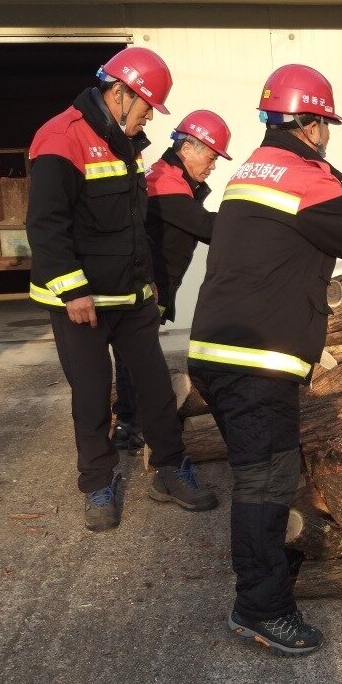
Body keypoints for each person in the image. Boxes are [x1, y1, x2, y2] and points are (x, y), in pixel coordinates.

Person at [187, 64, 342, 656]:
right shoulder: (304, 178)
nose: (328, 135)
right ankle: (260, 608)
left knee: (264, 476)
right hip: (257, 361)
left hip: (218, 352)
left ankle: (265, 573)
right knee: (266, 483)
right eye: (325, 124)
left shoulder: (251, 171)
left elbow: (304, 244)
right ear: (313, 124)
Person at [26, 46, 218, 532]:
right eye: (147, 106)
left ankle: (171, 470)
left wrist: (147, 280)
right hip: (81, 304)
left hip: (131, 297)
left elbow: (133, 225)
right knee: (92, 396)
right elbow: (47, 226)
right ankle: (97, 485)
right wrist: (73, 292)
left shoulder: (126, 143)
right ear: (119, 93)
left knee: (155, 386)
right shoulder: (60, 138)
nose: (149, 118)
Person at [110, 110, 232, 450]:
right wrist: (254, 217)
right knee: (135, 356)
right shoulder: (163, 184)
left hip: (153, 285)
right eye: (211, 157)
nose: (213, 165)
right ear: (188, 148)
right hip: (144, 286)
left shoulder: (172, 180)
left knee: (134, 355)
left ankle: (130, 419)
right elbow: (209, 228)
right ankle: (130, 423)